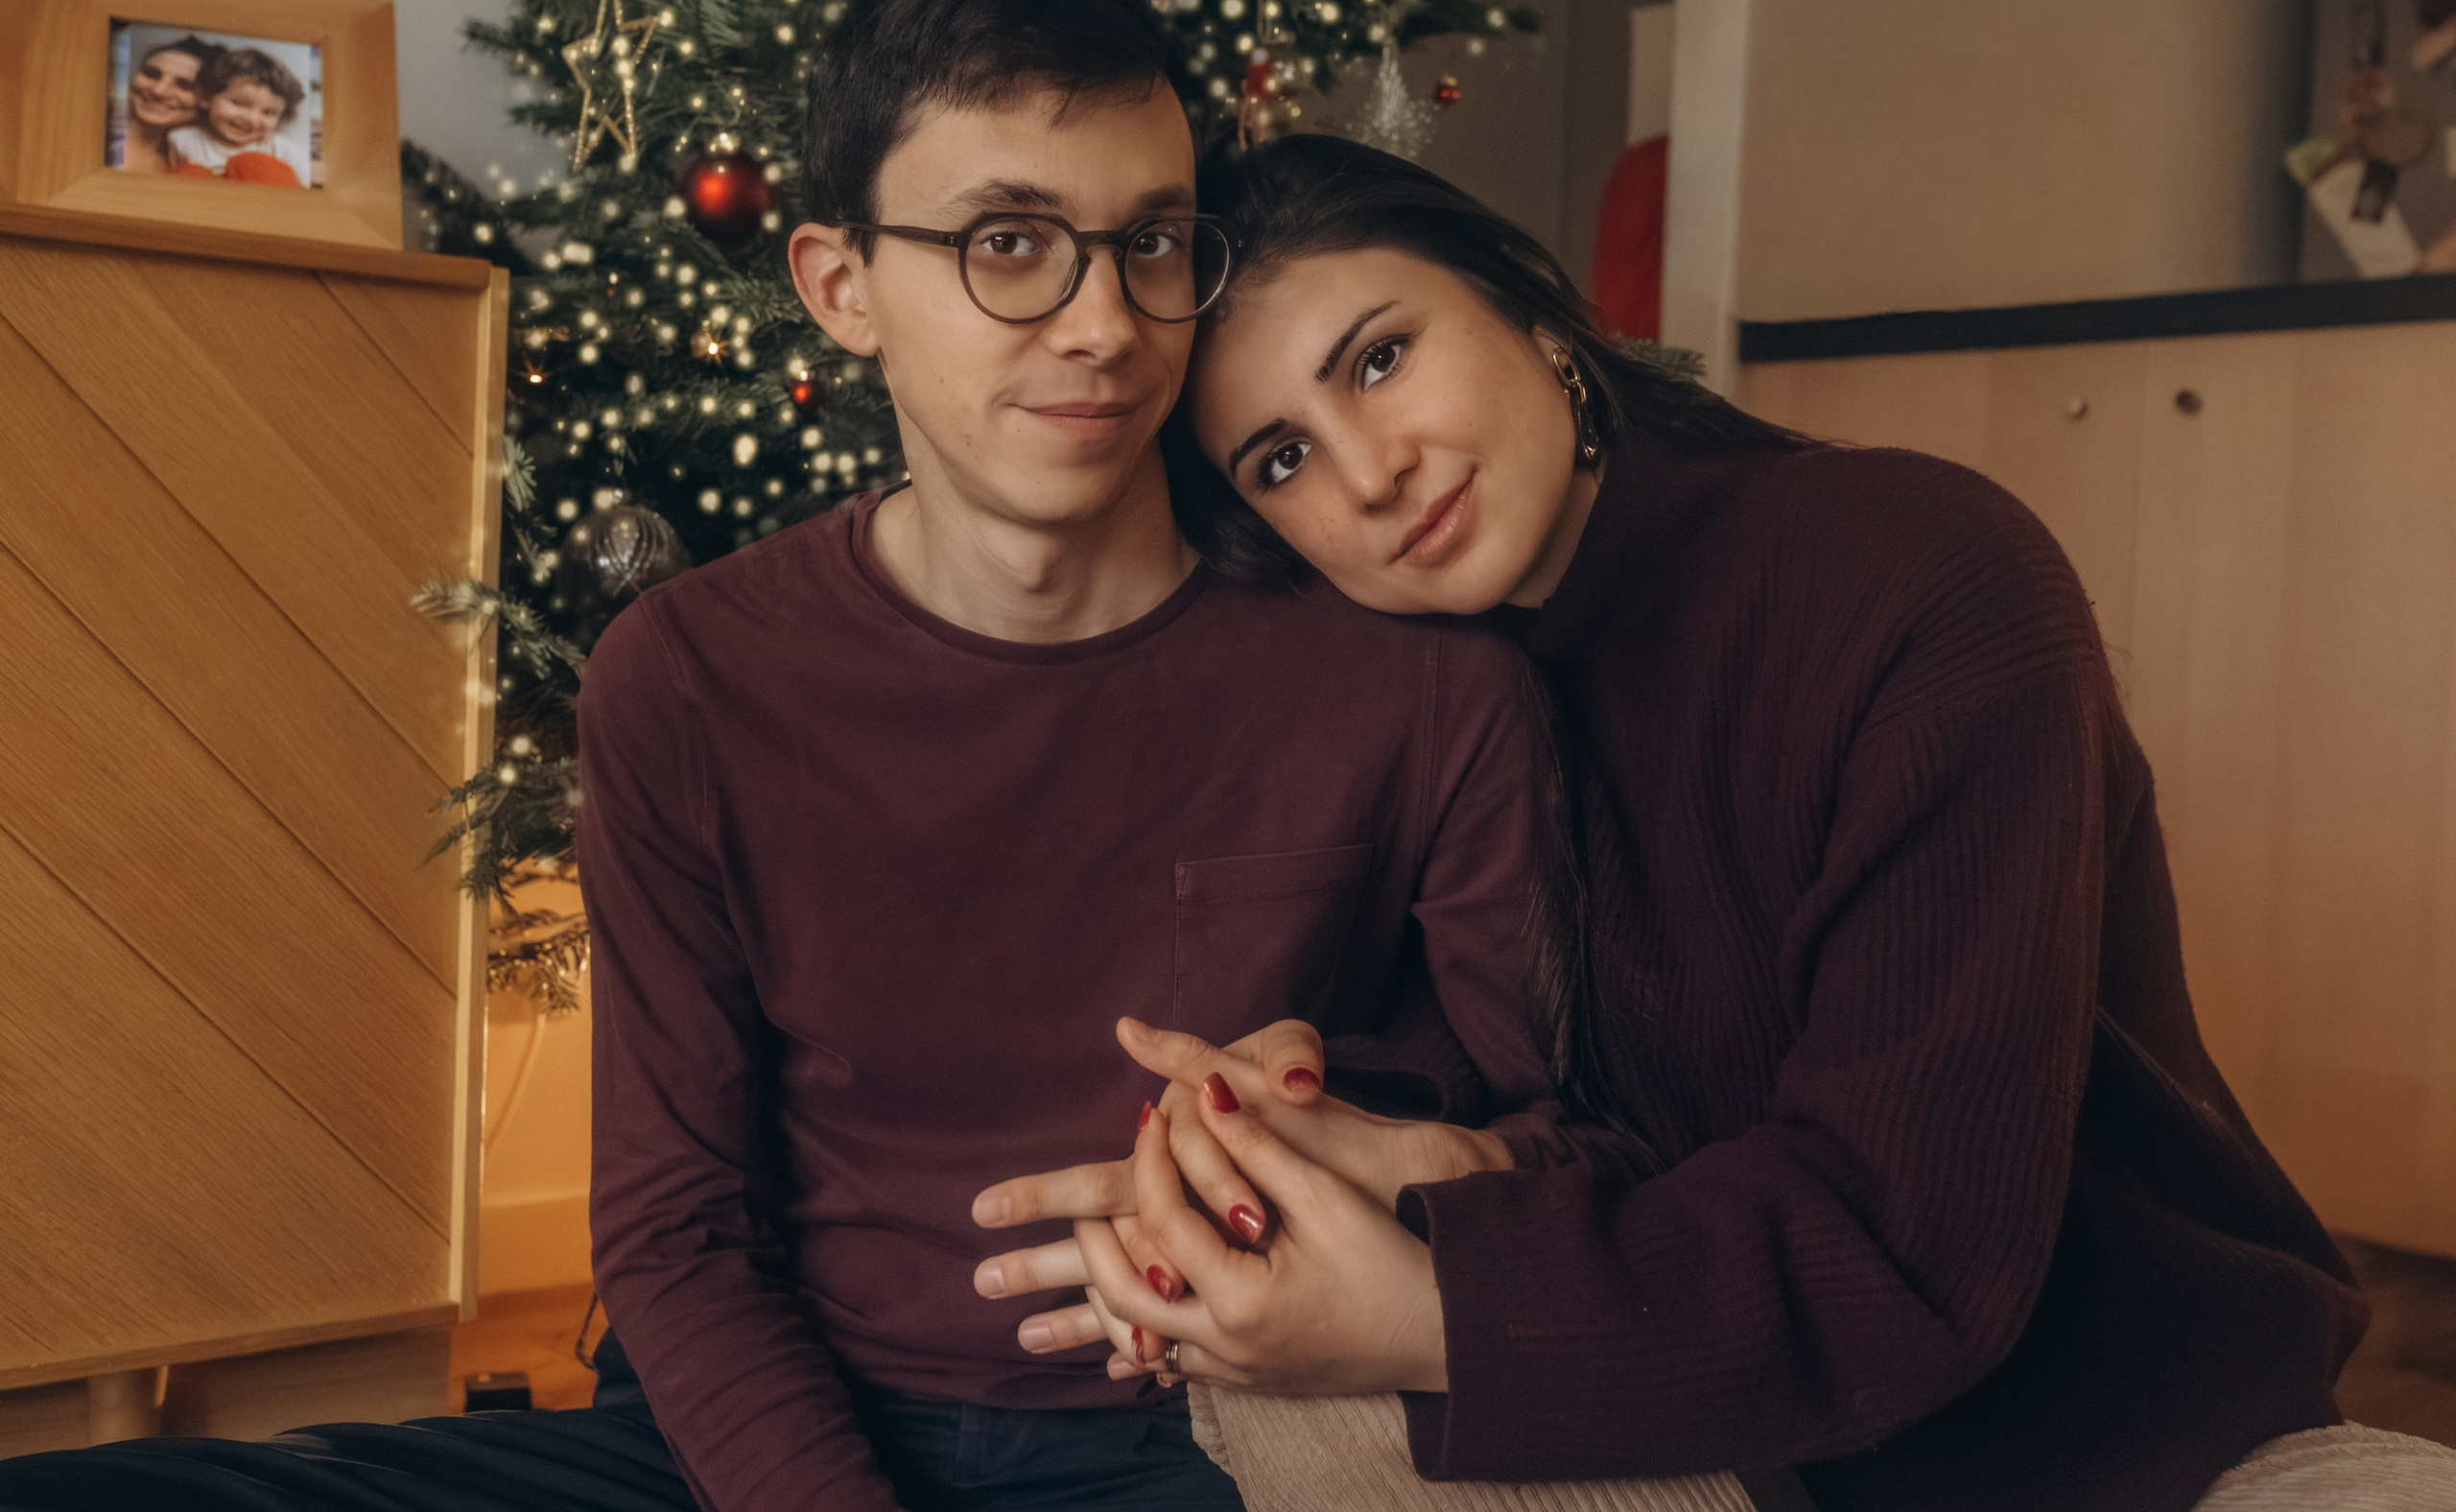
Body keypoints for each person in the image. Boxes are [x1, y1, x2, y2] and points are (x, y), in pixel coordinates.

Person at [0, 0, 1581, 1512]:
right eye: (1010, 244)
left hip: (1222, 1439)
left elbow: (1556, 1140)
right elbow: (679, 1237)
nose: (1105, 322)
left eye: (1151, 242)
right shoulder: (685, 678)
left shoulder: (1412, 676)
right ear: (841, 287)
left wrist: (1357, 1133)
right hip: (766, 1432)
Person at [970, 133, 2395, 1512]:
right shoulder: (1425, 694)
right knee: (1275, 1374)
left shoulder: (1921, 578)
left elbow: (1918, 1245)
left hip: (2113, 1441)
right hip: (1723, 1439)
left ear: (1533, 315)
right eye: (1280, 460)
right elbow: (1556, 1110)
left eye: (1382, 357)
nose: (1368, 472)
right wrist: (1326, 1125)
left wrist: (1426, 1313)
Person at [168, 44, 310, 186]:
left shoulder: (285, 151)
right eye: (240, 103)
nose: (252, 119)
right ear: (206, 97)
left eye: (269, 112)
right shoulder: (181, 141)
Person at [112, 35, 217, 174]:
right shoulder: (97, 136)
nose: (159, 91)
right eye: (151, 74)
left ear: (209, 100)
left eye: (184, 85)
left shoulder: (197, 165)